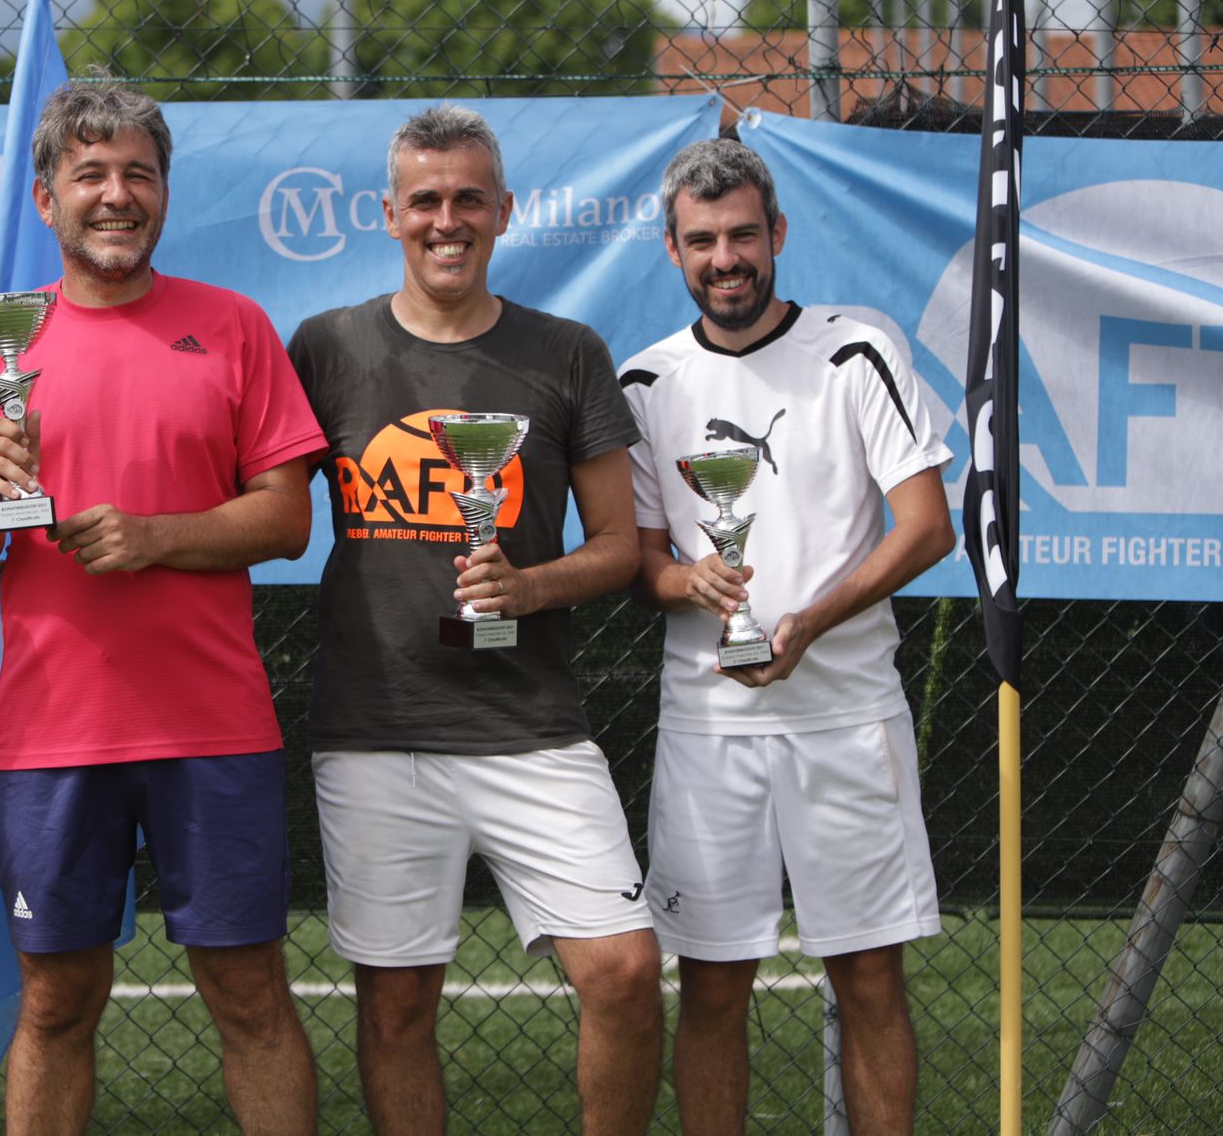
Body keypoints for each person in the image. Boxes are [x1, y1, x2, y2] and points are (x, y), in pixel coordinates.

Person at [0, 79, 325, 1136]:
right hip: (52, 735)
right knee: (54, 1002)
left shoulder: (233, 326)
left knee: (247, 992)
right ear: (46, 198)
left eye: (136, 173)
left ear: (163, 192)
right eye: (89, 173)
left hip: (212, 725)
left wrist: (155, 536)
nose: (115, 194)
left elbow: (288, 519)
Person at [285, 105, 663, 1135]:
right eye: (424, 201)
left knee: (625, 967)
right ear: (388, 213)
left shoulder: (566, 350)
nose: (443, 220)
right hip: (374, 724)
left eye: (465, 200)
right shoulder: (324, 347)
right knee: (397, 1002)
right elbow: (267, 506)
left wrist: (526, 586)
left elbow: (620, 543)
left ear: (502, 211)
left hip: (531, 723)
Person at [618, 138, 954, 1136]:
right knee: (713, 986)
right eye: (701, 241)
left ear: (776, 234)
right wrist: (691, 577)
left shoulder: (858, 346)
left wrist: (808, 621)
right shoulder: (644, 382)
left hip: (848, 716)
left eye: (741, 236)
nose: (724, 258)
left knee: (866, 975)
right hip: (708, 731)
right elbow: (642, 564)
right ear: (671, 249)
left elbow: (924, 525)